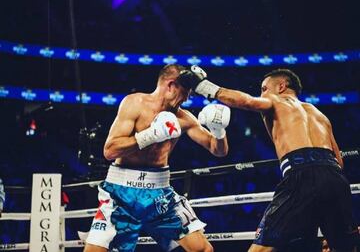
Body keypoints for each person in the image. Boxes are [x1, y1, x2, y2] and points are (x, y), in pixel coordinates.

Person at [184, 66, 359, 251]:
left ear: (281, 86)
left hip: (301, 176)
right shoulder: (319, 114)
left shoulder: (277, 101)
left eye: (264, 88)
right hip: (336, 179)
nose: (262, 94)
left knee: (261, 249)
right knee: (342, 247)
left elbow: (247, 101)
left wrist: (203, 86)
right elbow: (339, 161)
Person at [84, 64, 231, 252]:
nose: (188, 97)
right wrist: (150, 135)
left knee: (203, 249)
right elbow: (110, 151)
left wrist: (219, 131)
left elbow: (218, 150)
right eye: (185, 90)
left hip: (160, 194)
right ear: (170, 85)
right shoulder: (134, 103)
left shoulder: (184, 118)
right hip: (120, 193)